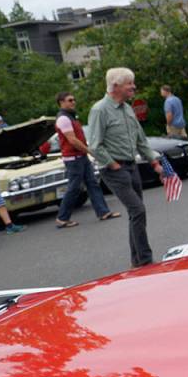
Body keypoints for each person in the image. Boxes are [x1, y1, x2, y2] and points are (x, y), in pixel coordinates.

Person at [87, 67, 163, 268]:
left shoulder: (127, 108)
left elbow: (140, 139)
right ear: (115, 86)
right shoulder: (100, 110)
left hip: (132, 165)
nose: (133, 87)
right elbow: (94, 145)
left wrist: (154, 162)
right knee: (138, 210)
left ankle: (137, 261)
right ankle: (145, 260)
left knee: (135, 213)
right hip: (114, 169)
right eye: (129, 83)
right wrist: (114, 164)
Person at [54, 91, 119, 229]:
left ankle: (103, 212)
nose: (73, 102)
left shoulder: (71, 117)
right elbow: (72, 140)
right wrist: (89, 151)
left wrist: (86, 152)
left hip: (80, 157)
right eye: (70, 100)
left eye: (74, 100)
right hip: (73, 159)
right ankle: (62, 218)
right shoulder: (63, 119)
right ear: (62, 102)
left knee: (92, 184)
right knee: (74, 187)